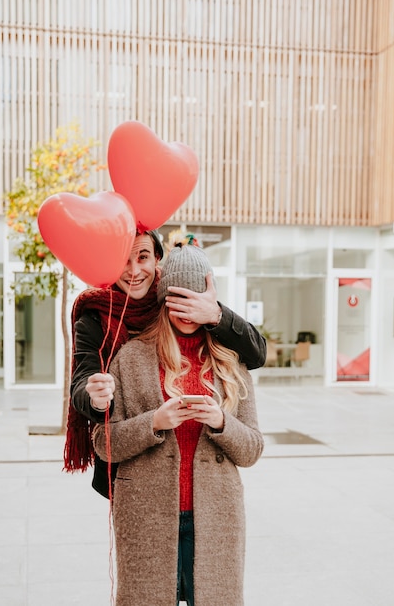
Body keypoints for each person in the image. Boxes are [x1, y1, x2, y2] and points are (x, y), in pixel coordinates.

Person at [92, 243, 264, 606]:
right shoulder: (132, 356)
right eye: (176, 298)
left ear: (208, 299)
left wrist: (220, 422)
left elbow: (252, 450)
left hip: (216, 519)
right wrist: (153, 422)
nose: (186, 310)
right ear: (163, 297)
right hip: (146, 517)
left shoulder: (231, 362)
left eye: (194, 298)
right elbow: (103, 443)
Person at [66, 229, 266, 498]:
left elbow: (256, 353)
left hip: (208, 497)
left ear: (157, 258)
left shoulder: (183, 290)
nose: (134, 270)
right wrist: (95, 397)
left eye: (143, 257)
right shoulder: (95, 319)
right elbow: (83, 384)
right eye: (124, 260)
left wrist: (215, 314)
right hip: (136, 481)